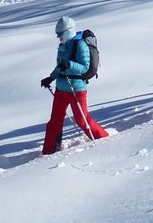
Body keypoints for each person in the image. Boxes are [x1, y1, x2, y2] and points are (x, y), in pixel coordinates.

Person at [40, 16, 109, 155]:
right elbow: (60, 66)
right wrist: (50, 78)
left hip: (76, 89)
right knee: (54, 121)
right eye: (57, 34)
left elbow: (84, 67)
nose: (58, 37)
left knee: (82, 120)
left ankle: (103, 138)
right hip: (61, 88)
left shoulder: (80, 45)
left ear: (68, 31)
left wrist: (70, 65)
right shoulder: (63, 46)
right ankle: (49, 151)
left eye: (60, 33)